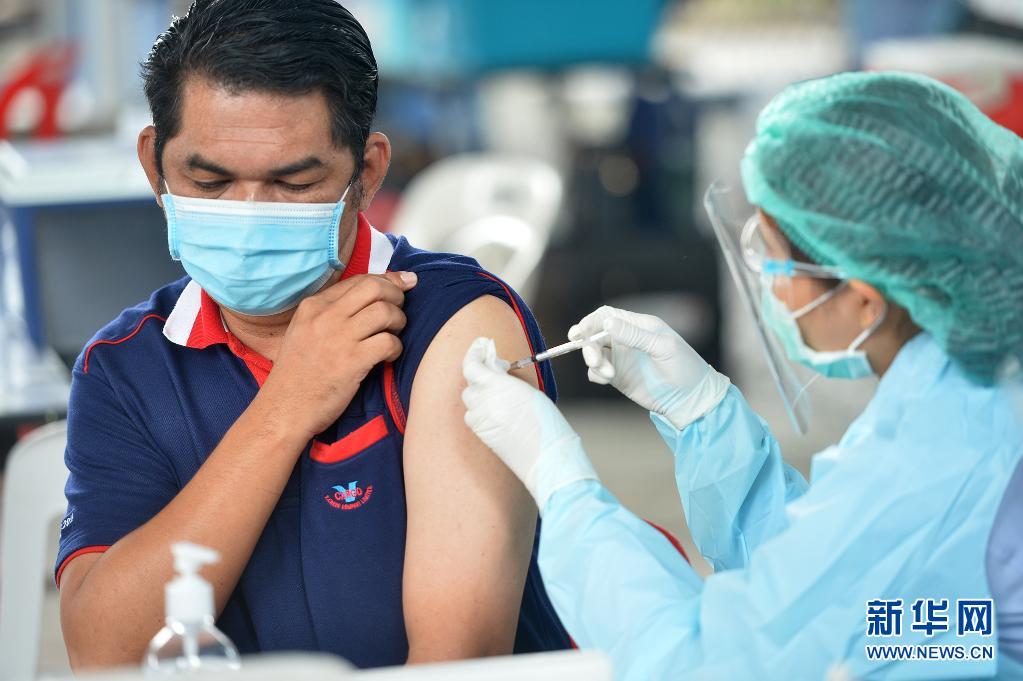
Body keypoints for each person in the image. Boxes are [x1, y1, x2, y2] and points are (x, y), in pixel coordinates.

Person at [55, 0, 570, 670]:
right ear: (155, 165)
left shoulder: (455, 326)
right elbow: (103, 654)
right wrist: (286, 407)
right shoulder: (125, 367)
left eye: (294, 182)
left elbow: (456, 660)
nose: (248, 215)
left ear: (367, 173)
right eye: (209, 180)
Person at [461, 71, 1023, 679]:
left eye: (771, 257)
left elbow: (701, 664)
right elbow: (824, 582)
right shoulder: (963, 387)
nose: (765, 279)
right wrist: (704, 416)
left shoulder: (940, 451)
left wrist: (561, 484)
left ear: (865, 300)